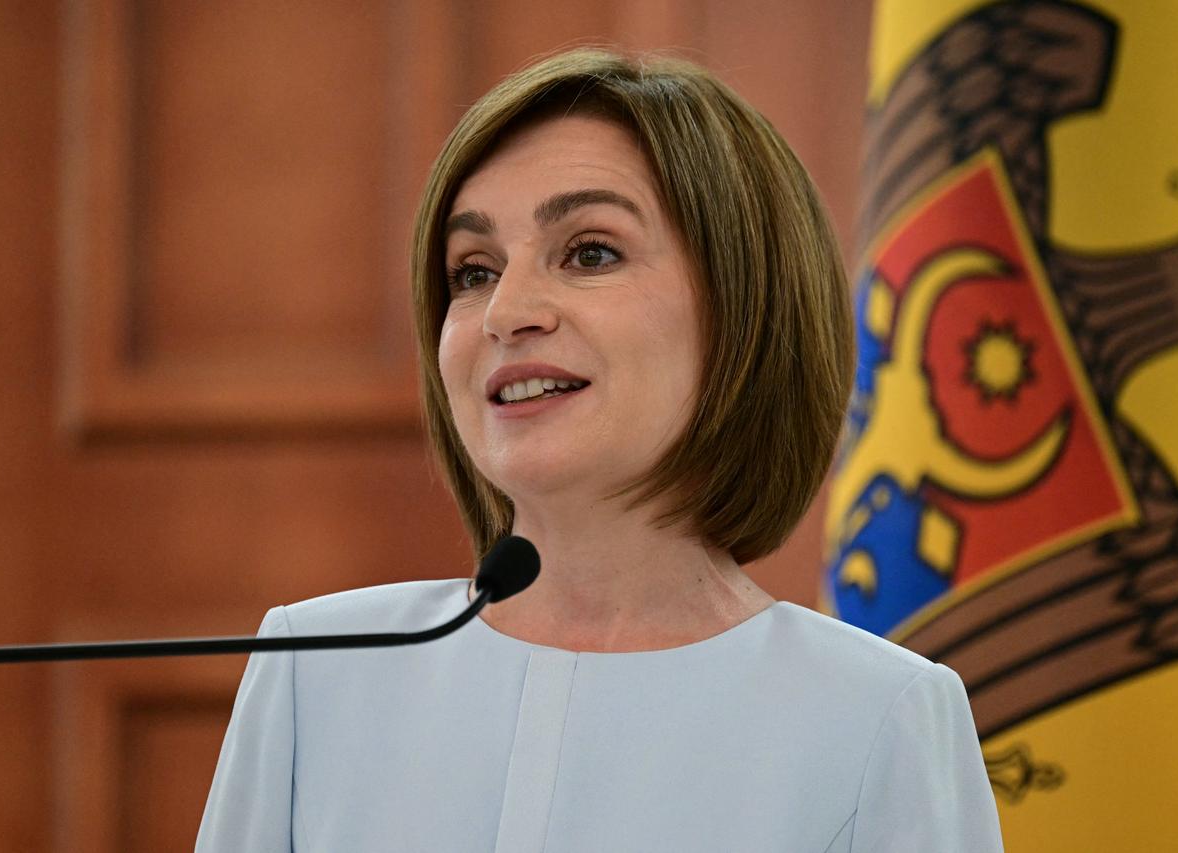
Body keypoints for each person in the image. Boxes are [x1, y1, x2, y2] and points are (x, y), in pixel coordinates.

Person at [197, 48, 1004, 852]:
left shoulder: (877, 715)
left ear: (745, 304)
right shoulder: (316, 672)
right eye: (472, 271)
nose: (505, 313)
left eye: (590, 252)